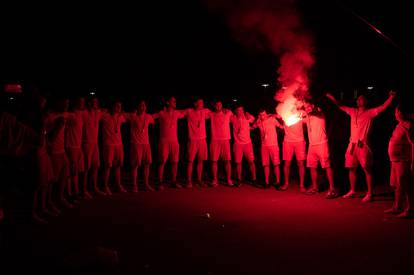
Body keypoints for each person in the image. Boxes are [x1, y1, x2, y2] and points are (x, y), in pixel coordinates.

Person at [326, 90, 396, 202]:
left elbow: (383, 107)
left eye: (362, 98)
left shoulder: (371, 112)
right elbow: (340, 106)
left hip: (363, 145)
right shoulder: (352, 111)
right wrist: (331, 97)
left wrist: (391, 98)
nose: (359, 100)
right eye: (358, 99)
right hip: (352, 145)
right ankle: (352, 190)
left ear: (366, 101)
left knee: (367, 169)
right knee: (351, 168)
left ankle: (369, 193)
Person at [302, 101, 338, 199]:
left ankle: (332, 189)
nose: (307, 108)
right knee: (312, 166)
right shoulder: (307, 117)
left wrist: (307, 112)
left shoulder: (319, 113)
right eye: (305, 107)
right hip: (312, 145)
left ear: (313, 106)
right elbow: (298, 120)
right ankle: (315, 187)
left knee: (327, 166)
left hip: (322, 143)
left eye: (308, 106)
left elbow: (316, 111)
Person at [385, 104, 414, 218]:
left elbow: (413, 144)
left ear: (401, 113)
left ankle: (410, 209)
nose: (395, 113)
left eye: (396, 111)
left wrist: (412, 162)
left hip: (404, 161)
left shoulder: (408, 126)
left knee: (406, 186)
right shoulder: (399, 125)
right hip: (395, 161)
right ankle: (397, 207)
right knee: (397, 185)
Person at [154, 96, 185, 190]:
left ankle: (173, 181)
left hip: (174, 141)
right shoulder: (161, 113)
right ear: (168, 102)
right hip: (164, 141)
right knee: (162, 162)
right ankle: (160, 182)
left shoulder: (177, 113)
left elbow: (188, 112)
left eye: (175, 101)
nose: (175, 102)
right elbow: (151, 117)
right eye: (173, 101)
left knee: (175, 162)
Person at [125, 100, 155, 192]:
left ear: (145, 107)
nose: (142, 107)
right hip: (136, 144)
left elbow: (154, 122)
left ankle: (146, 184)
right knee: (135, 165)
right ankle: (134, 185)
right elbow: (121, 114)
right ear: (137, 107)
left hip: (146, 144)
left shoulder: (148, 116)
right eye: (141, 105)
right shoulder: (132, 116)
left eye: (144, 105)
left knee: (147, 164)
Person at [101, 100, 127, 195]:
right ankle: (105, 186)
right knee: (107, 166)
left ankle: (118, 185)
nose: (119, 108)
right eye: (117, 106)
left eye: (120, 106)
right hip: (108, 145)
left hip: (118, 145)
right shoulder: (104, 116)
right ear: (112, 107)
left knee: (118, 166)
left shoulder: (120, 117)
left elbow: (128, 117)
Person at [184, 98, 210, 188]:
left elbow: (216, 113)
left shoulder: (205, 111)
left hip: (202, 140)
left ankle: (199, 180)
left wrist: (224, 110)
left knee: (200, 160)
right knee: (190, 161)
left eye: (202, 103)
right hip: (192, 139)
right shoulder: (189, 111)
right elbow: (179, 113)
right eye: (200, 103)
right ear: (195, 104)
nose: (202, 104)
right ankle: (189, 181)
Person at [82, 97, 106, 197]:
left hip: (95, 144)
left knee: (95, 166)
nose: (96, 103)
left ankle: (94, 187)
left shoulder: (98, 113)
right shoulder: (84, 113)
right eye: (94, 102)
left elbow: (109, 112)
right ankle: (84, 189)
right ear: (89, 103)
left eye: (97, 102)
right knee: (86, 167)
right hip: (86, 143)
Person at [253, 109, 282, 188]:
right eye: (261, 115)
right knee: (266, 165)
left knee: (276, 164)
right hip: (264, 146)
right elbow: (253, 127)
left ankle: (278, 181)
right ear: (259, 115)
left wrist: (283, 123)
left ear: (266, 114)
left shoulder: (272, 119)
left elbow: (280, 126)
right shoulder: (259, 122)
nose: (263, 116)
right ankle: (267, 182)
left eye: (264, 114)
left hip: (273, 145)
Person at [65, 97, 86, 201]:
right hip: (71, 146)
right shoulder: (71, 115)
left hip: (78, 146)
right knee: (71, 171)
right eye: (81, 102)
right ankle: (69, 193)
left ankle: (76, 192)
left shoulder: (80, 115)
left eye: (83, 102)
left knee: (76, 171)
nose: (83, 103)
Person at [279, 115, 306, 192]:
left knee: (300, 163)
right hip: (288, 141)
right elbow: (276, 115)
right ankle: (286, 183)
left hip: (299, 141)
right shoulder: (284, 112)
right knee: (287, 163)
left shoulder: (300, 113)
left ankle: (302, 185)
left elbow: (307, 117)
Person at [209, 100, 233, 187]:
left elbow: (237, 116)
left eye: (220, 104)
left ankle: (229, 180)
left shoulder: (228, 113)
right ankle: (215, 180)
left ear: (222, 105)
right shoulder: (211, 114)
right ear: (214, 106)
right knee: (214, 161)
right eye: (217, 105)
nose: (218, 106)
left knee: (227, 161)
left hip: (225, 140)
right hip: (214, 140)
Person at [231, 104, 256, 186]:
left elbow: (253, 119)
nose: (240, 112)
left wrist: (248, 115)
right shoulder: (233, 118)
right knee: (238, 163)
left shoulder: (247, 117)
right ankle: (239, 180)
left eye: (241, 110)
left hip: (247, 143)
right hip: (238, 144)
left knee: (251, 162)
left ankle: (254, 179)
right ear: (235, 111)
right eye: (238, 110)